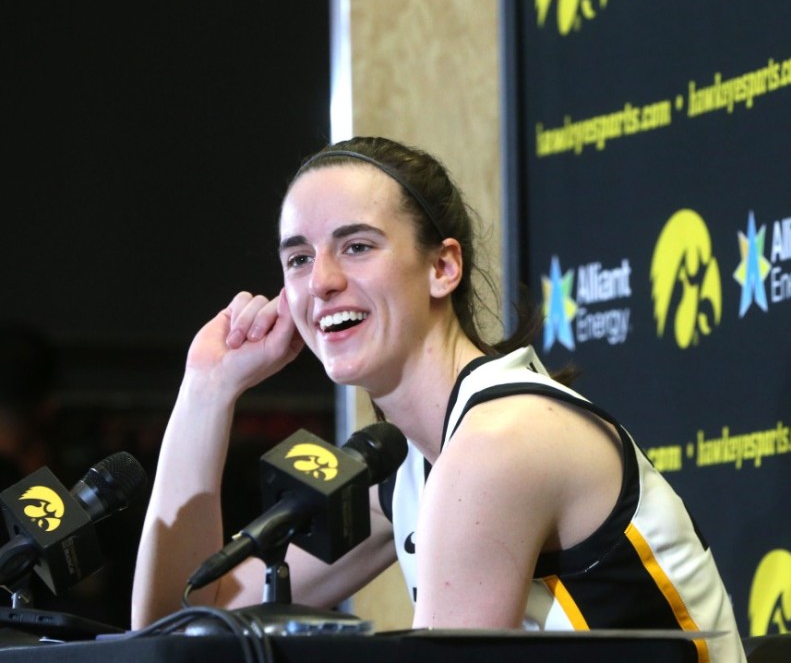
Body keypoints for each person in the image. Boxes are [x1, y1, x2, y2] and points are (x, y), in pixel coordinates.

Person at [131, 137, 746, 662]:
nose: (320, 281)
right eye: (298, 257)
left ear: (442, 268)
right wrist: (207, 389)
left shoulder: (501, 442)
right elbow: (178, 631)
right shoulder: (413, 466)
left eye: (357, 246)